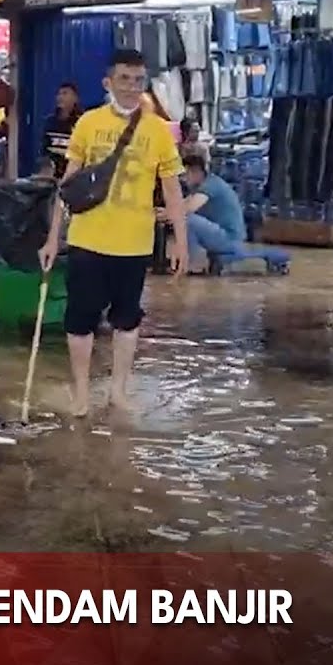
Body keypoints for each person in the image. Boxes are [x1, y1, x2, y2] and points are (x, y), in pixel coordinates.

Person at [38, 49, 189, 418]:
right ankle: (80, 394)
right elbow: (68, 185)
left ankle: (118, 392)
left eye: (139, 80)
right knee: (80, 320)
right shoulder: (88, 123)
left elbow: (171, 189)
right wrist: (53, 237)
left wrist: (179, 241)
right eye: (124, 79)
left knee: (127, 319)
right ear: (108, 82)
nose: (132, 87)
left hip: (135, 244)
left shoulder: (158, 130)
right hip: (87, 239)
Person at [161, 153, 289, 271]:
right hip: (224, 235)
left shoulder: (211, 185)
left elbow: (189, 208)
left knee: (188, 220)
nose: (183, 179)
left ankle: (193, 264)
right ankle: (190, 261)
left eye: (185, 174)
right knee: (184, 218)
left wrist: (168, 214)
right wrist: (164, 213)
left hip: (230, 238)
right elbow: (181, 205)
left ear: (196, 172)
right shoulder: (199, 187)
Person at [41, 82, 82, 179]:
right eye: (59, 94)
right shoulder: (50, 122)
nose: (60, 97)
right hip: (53, 175)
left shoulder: (82, 122)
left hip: (74, 176)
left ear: (75, 98)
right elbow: (44, 149)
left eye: (65, 93)